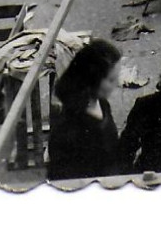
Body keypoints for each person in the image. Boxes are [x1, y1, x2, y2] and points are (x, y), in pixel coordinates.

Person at [47, 38, 124, 181]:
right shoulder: (67, 130)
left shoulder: (102, 104)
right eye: (111, 80)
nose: (117, 84)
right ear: (92, 80)